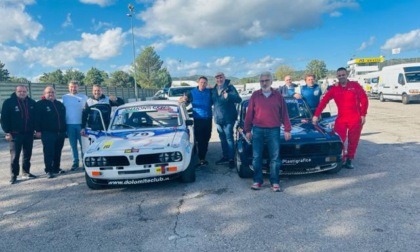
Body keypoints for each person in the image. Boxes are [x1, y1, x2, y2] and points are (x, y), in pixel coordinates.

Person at [244, 71, 292, 192]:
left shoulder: (278, 96)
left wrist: (287, 129)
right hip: (258, 129)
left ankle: (275, 182)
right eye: (262, 81)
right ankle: (257, 181)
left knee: (275, 157)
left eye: (266, 80)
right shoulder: (255, 95)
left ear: (271, 81)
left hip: (274, 130)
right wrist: (248, 130)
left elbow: (284, 114)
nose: (264, 83)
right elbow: (249, 113)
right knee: (256, 157)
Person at [312, 67, 368, 169]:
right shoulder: (334, 88)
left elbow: (364, 100)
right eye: (339, 75)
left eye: (343, 75)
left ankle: (350, 159)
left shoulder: (355, 86)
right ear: (337, 76)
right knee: (339, 140)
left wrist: (363, 115)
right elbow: (324, 102)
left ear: (347, 75)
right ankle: (341, 159)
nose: (341, 77)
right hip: (341, 118)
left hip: (355, 118)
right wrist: (316, 115)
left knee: (353, 140)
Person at [1, 85, 37, 184]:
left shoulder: (31, 103)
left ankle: (26, 172)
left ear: (27, 92)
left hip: (29, 133)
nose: (22, 93)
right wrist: (7, 132)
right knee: (15, 156)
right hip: (15, 134)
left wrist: (36, 130)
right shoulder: (9, 102)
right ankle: (14, 175)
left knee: (27, 154)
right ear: (15, 91)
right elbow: (4, 119)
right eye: (20, 91)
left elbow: (35, 118)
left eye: (24, 91)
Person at [179, 76, 213, 166]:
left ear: (207, 83)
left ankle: (203, 156)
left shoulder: (209, 92)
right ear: (198, 83)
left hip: (208, 119)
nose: (203, 84)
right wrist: (183, 99)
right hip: (198, 120)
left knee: (206, 138)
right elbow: (184, 103)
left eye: (205, 83)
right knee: (199, 139)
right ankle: (201, 158)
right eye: (201, 82)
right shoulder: (192, 93)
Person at [211, 72, 242, 169]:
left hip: (228, 118)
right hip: (218, 119)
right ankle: (225, 157)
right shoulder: (214, 89)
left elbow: (238, 99)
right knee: (222, 139)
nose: (219, 79)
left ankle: (231, 159)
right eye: (217, 78)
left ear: (224, 78)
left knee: (229, 139)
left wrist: (228, 96)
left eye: (221, 77)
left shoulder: (230, 88)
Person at [35, 86, 67, 178]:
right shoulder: (40, 104)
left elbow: (63, 118)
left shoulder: (59, 104)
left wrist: (64, 130)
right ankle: (49, 170)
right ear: (44, 94)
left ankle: (56, 168)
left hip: (60, 133)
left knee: (58, 151)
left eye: (52, 92)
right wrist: (38, 131)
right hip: (47, 133)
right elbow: (36, 119)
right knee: (49, 152)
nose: (51, 94)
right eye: (48, 92)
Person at [62, 80, 88, 170]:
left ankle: (85, 162)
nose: (73, 88)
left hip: (81, 125)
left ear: (78, 87)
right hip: (69, 125)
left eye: (75, 86)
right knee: (73, 145)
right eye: (71, 87)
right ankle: (75, 162)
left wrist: (85, 125)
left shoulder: (84, 97)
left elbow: (87, 111)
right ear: (69, 87)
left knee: (83, 145)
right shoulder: (64, 97)